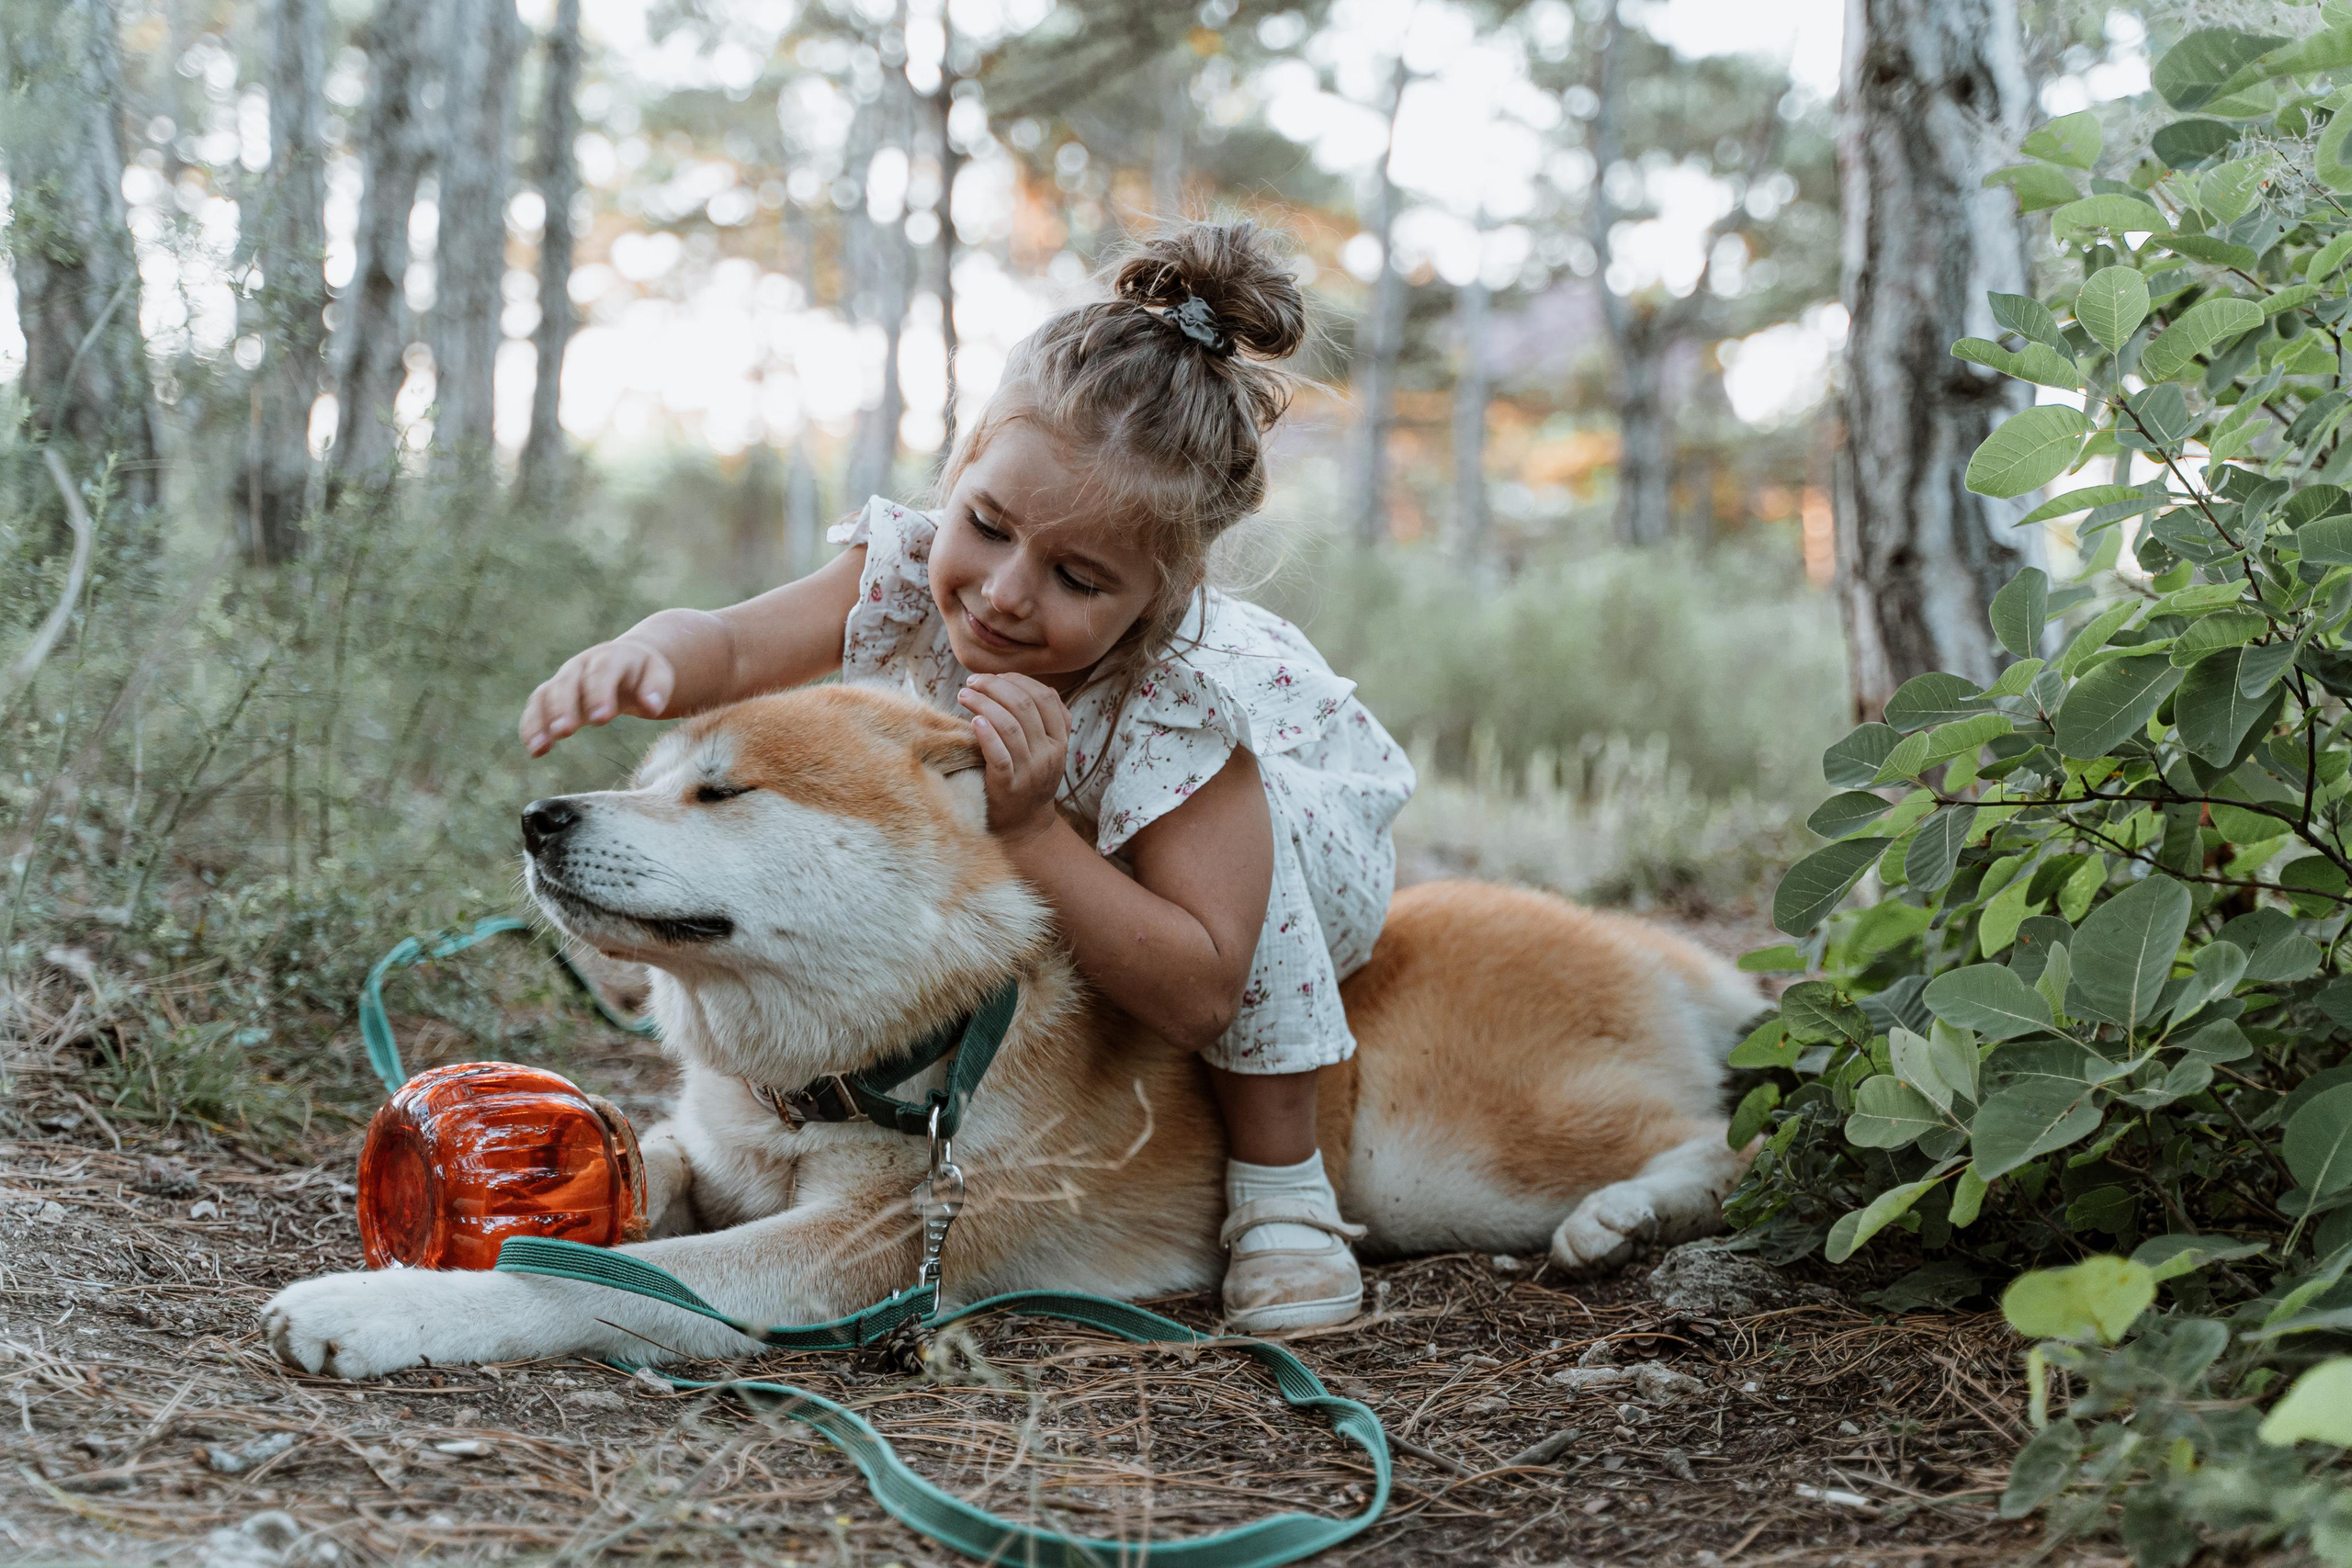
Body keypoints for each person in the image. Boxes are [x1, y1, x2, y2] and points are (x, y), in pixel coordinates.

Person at [517, 220, 1415, 1333]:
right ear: (963, 467)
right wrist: (654, 653)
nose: (1002, 594)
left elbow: (1203, 984)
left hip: (1251, 889)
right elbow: (740, 644)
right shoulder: (898, 571)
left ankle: (1284, 1202)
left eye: (1078, 577)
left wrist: (1034, 829)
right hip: (1051, 834)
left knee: (1251, 950)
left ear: (1165, 590)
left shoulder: (1187, 704)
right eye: (985, 526)